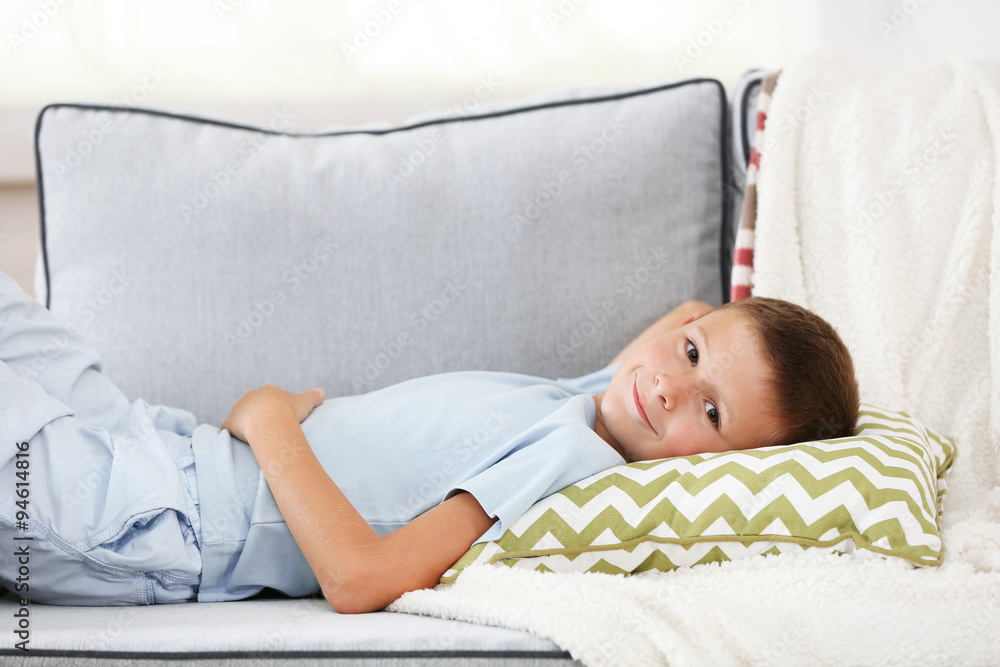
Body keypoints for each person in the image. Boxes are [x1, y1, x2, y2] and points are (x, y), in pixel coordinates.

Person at [0, 271, 858, 613]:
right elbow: (682, 328)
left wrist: (266, 419)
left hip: (152, 519)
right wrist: (714, 357)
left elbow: (360, 578)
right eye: (693, 350)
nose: (672, 384)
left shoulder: (577, 462)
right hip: (146, 436)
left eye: (711, 414)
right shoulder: (606, 398)